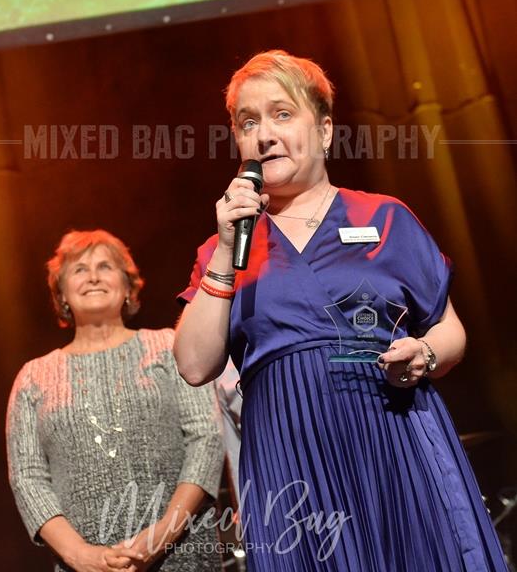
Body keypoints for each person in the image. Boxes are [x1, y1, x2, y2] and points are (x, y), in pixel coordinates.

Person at [173, 50, 508, 571]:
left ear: (325, 130)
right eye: (248, 122)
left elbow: (450, 329)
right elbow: (195, 365)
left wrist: (423, 353)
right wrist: (222, 248)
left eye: (282, 114)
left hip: (394, 434)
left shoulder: (384, 217)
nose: (264, 135)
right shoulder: (226, 247)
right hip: (290, 454)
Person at [7, 229, 224, 572]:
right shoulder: (34, 377)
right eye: (79, 269)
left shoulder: (168, 347)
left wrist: (161, 535)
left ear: (127, 287)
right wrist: (80, 556)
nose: (93, 276)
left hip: (181, 553)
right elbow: (28, 478)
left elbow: (206, 439)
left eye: (105, 266)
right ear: (61, 293)